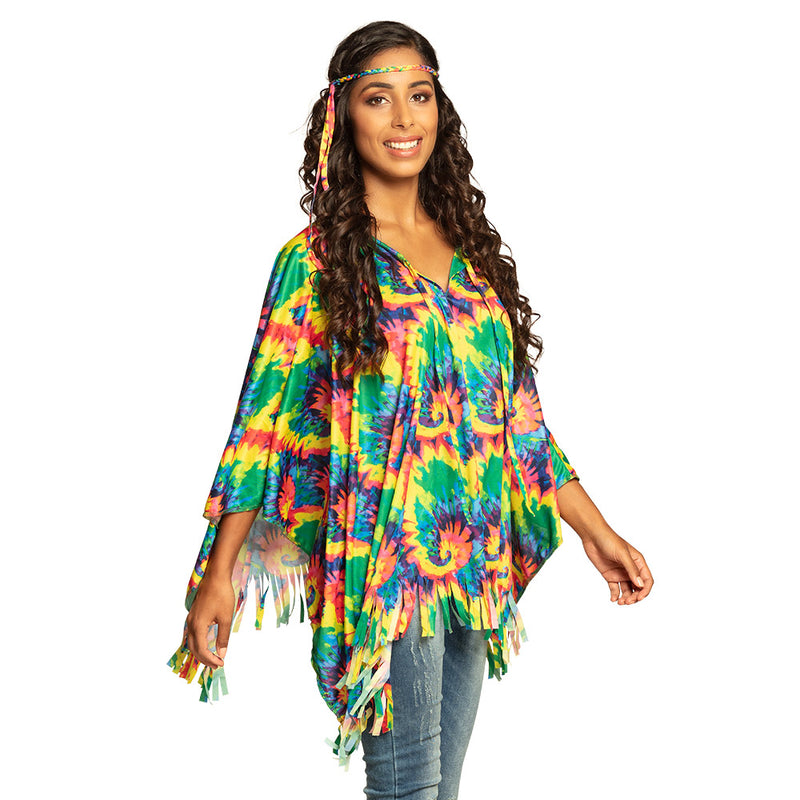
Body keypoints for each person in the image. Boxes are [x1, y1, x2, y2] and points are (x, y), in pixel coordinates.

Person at [167, 20, 654, 800]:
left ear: (440, 109)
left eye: (419, 96)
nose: (403, 118)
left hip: (471, 567)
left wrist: (599, 534)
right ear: (342, 115)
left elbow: (518, 422)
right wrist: (218, 574)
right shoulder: (316, 261)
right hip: (387, 568)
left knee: (439, 791)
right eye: (378, 98)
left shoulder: (471, 256)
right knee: (408, 790)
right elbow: (259, 425)